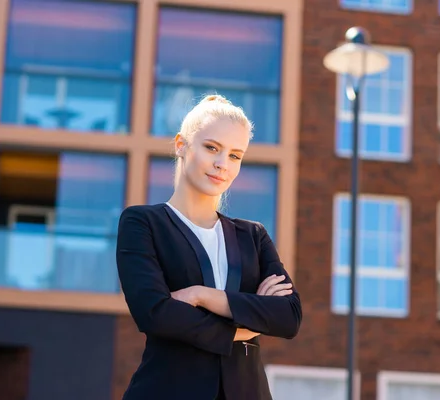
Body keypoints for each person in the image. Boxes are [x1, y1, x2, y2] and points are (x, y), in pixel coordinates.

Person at [116, 95, 302, 400]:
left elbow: (288, 316)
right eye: (212, 148)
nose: (221, 164)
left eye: (235, 155)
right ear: (181, 145)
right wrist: (244, 326)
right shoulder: (142, 223)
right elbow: (155, 313)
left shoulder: (253, 236)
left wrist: (202, 296)